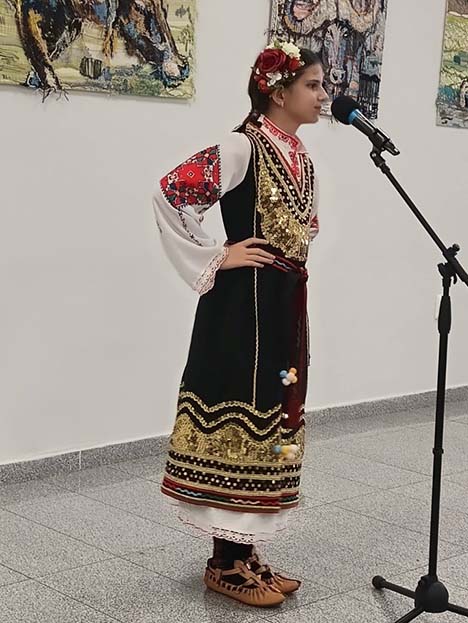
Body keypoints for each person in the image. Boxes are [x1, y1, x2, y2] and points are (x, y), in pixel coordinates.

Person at [152, 39, 328, 608]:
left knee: (274, 411)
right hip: (242, 308)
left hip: (282, 305)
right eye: (313, 85)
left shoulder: (300, 156)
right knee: (240, 408)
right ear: (278, 92)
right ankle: (223, 562)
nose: (323, 95)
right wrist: (216, 254)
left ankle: (245, 552)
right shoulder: (240, 146)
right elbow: (171, 192)